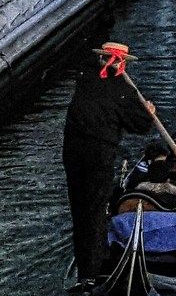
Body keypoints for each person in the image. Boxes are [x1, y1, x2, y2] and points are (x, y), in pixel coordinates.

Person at [62, 42, 152, 277]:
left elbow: (87, 63)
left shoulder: (85, 78)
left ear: (103, 59)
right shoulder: (124, 91)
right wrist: (148, 111)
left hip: (72, 154)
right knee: (95, 210)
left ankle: (85, 269)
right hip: (98, 158)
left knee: (79, 209)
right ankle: (94, 270)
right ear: (122, 62)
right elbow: (141, 125)